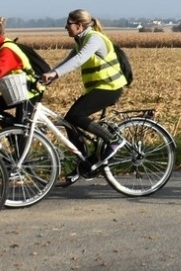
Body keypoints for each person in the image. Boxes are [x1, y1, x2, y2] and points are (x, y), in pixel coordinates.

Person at [41, 9, 127, 174]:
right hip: (99, 88)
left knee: (75, 116)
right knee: (70, 121)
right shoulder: (81, 40)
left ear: (79, 25)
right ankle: (84, 162)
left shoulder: (94, 38)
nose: (66, 27)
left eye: (68, 23)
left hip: (110, 87)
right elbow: (67, 60)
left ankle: (113, 139)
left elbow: (79, 59)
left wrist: (54, 73)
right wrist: (50, 75)